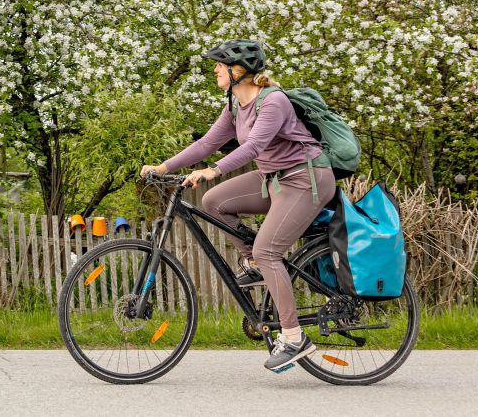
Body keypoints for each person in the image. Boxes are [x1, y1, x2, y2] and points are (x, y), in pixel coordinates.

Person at [141, 39, 335, 372]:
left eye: (219, 64)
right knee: (214, 200)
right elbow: (207, 143)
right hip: (274, 179)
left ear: (239, 70)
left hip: (307, 180)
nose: (214, 69)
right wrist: (163, 167)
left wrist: (213, 170)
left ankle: (294, 337)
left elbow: (256, 145)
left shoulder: (273, 102)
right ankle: (256, 264)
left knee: (269, 249)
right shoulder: (235, 103)